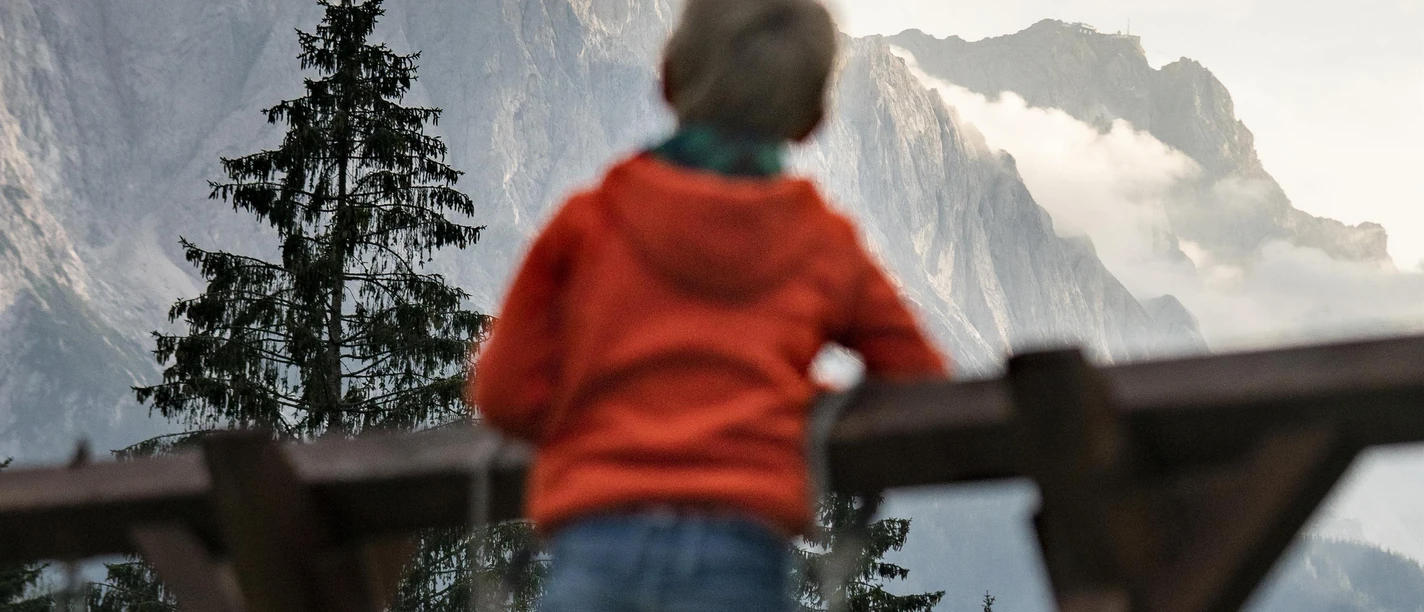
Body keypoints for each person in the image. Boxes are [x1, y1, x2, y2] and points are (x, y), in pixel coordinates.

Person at [468, 0, 950, 609]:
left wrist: (600, 417)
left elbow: (505, 394)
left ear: (669, 75)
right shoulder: (825, 247)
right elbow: (921, 385)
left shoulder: (586, 227)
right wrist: (791, 405)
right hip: (740, 558)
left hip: (596, 550)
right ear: (812, 117)